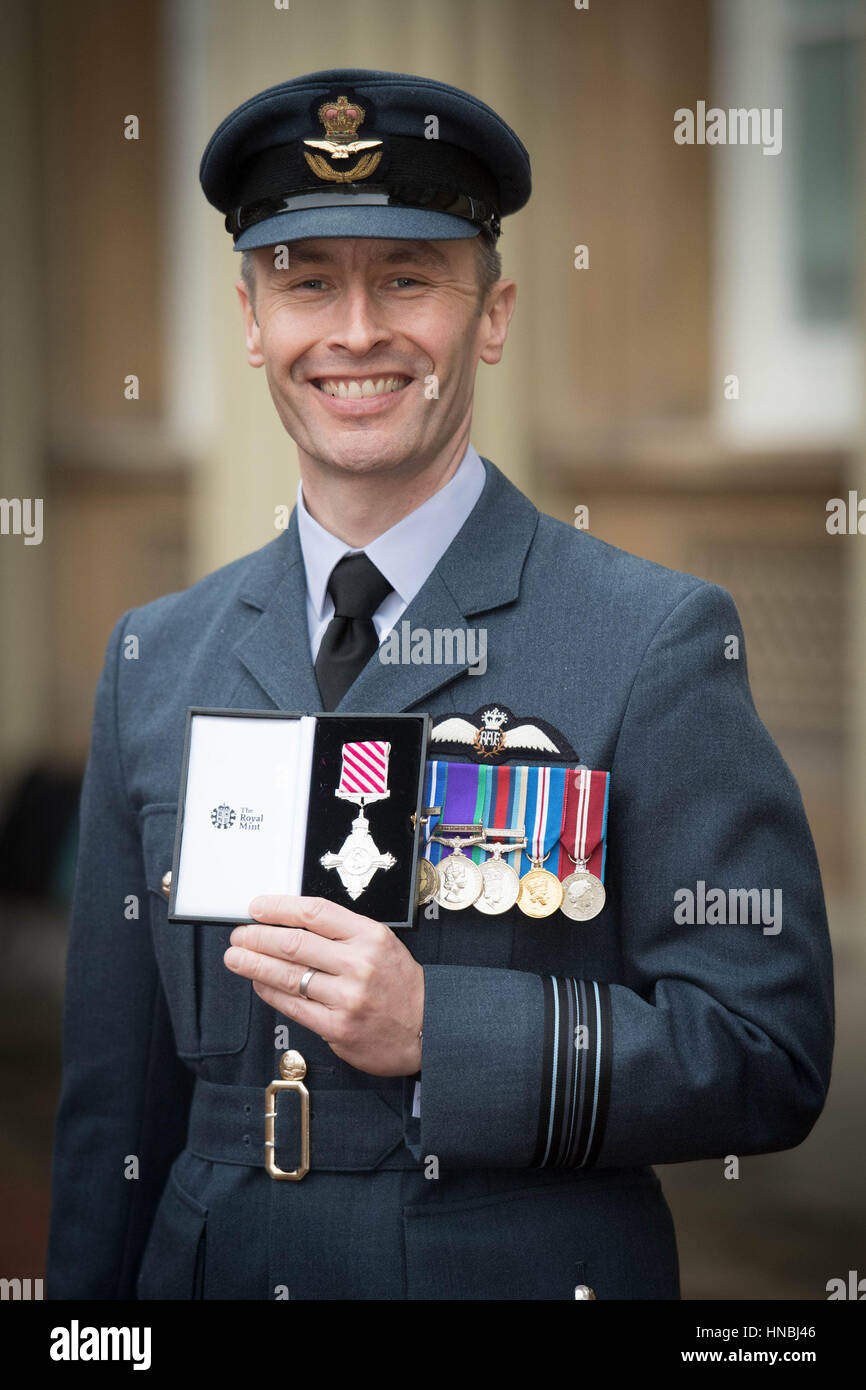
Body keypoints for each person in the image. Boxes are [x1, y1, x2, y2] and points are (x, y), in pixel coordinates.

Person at [47, 67, 834, 1301]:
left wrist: (441, 1032)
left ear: (494, 313)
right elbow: (113, 1105)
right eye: (307, 282)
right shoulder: (158, 655)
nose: (355, 331)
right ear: (252, 319)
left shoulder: (652, 638)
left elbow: (764, 1052)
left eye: (407, 278)